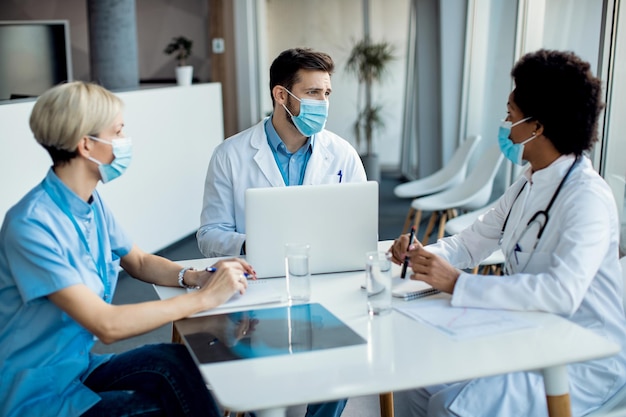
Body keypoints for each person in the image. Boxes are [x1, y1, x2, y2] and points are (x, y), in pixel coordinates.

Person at [390, 49, 626, 416]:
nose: (505, 124)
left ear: (537, 126)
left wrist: (458, 284)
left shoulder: (587, 197)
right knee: (417, 382)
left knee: (449, 408)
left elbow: (561, 293)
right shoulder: (528, 182)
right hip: (527, 332)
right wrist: (423, 254)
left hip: (583, 357)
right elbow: (472, 241)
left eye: (510, 114)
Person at [0, 81, 256, 417]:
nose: (125, 142)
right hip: (35, 394)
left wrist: (196, 277)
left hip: (75, 368)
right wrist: (204, 299)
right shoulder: (31, 225)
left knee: (174, 361)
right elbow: (108, 326)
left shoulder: (89, 203)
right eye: (118, 132)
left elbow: (137, 261)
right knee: (158, 410)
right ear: (86, 145)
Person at [197, 47, 367, 259]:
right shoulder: (228, 155)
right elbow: (210, 234)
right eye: (312, 92)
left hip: (326, 269)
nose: (323, 103)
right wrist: (254, 245)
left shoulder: (344, 154)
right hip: (256, 273)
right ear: (280, 95)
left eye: (326, 93)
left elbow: (364, 231)